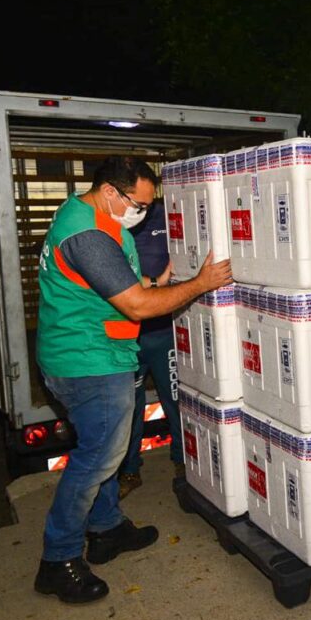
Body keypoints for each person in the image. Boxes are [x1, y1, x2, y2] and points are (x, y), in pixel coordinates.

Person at [34, 156, 232, 604]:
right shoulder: (88, 234)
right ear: (110, 192)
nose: (143, 213)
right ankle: (57, 559)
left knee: (105, 448)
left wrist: (155, 279)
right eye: (138, 204)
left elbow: (114, 282)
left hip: (91, 353)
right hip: (88, 361)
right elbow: (138, 306)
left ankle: (106, 530)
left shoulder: (86, 214)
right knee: (97, 459)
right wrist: (200, 283)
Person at [118, 198, 183, 499]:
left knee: (175, 402)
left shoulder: (167, 214)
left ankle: (185, 464)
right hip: (126, 335)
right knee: (128, 408)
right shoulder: (113, 221)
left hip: (162, 334)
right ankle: (129, 470)